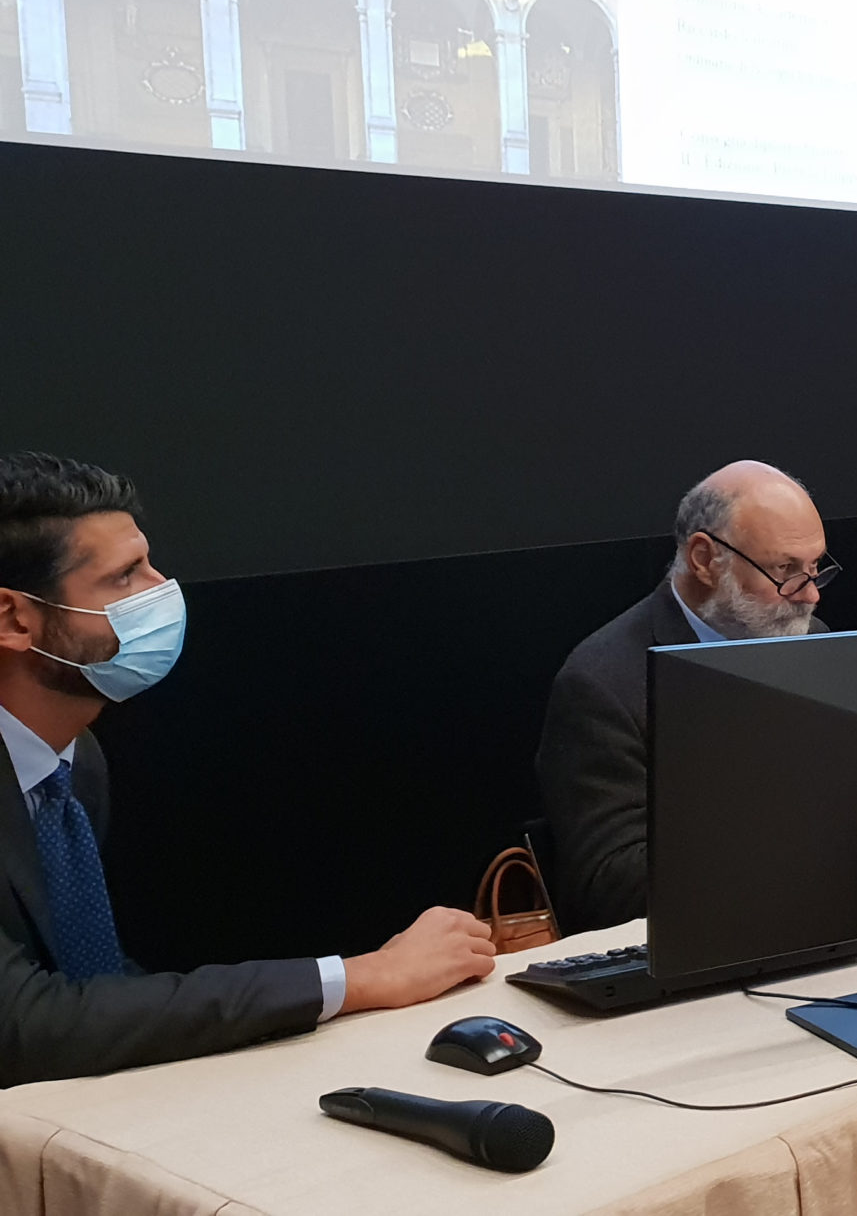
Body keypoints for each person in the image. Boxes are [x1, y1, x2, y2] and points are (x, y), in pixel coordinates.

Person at [0, 452, 495, 1086]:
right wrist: (360, 978)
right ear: (14, 619)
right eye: (123, 578)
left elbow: (98, 984)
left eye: (149, 563)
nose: (162, 589)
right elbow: (27, 1026)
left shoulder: (77, 759)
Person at [537, 461, 834, 932]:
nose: (811, 595)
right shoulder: (603, 685)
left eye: (815, 568)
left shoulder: (815, 642)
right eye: (786, 570)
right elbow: (608, 884)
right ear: (704, 559)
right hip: (693, 943)